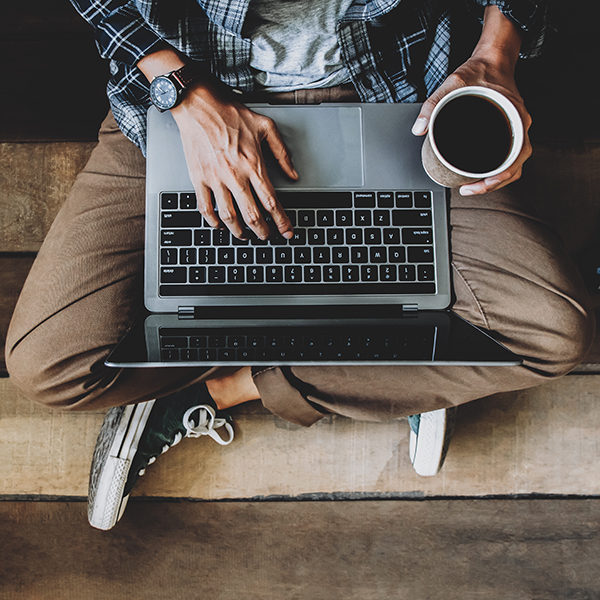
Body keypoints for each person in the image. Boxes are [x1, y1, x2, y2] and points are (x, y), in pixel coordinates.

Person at [5, 0, 595, 530]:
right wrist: (177, 86)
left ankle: (228, 389)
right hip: (192, 98)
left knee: (550, 334)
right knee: (47, 365)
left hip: (397, 99)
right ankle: (405, 373)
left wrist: (497, 53)